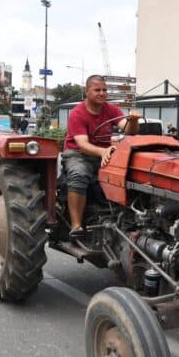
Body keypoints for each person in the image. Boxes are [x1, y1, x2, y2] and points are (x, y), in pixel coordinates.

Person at [63, 75, 140, 238]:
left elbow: (128, 130)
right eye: (97, 90)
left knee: (129, 175)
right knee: (79, 174)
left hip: (104, 153)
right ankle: (76, 226)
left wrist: (133, 120)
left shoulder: (111, 109)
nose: (102, 93)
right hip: (78, 154)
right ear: (87, 92)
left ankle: (128, 219)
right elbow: (82, 144)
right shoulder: (77, 113)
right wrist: (102, 152)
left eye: (104, 90)